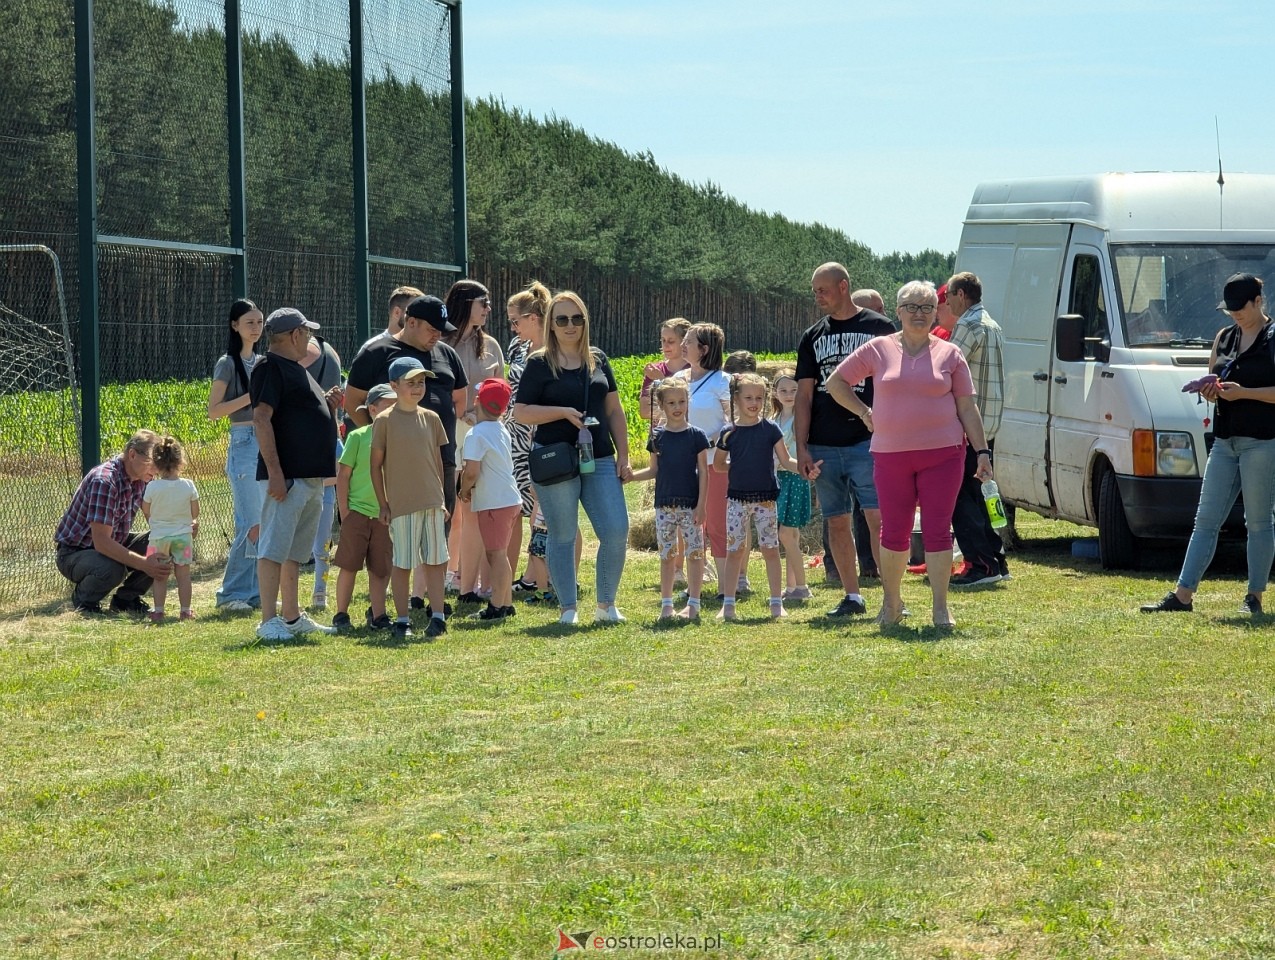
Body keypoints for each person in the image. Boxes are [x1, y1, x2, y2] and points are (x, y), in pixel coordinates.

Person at [827, 281, 994, 629]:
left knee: (937, 531)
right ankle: (891, 604)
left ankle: (940, 607)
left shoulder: (950, 354)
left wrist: (981, 451)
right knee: (894, 532)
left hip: (943, 455)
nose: (919, 313)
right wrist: (864, 412)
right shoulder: (878, 349)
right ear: (898, 311)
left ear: (936, 312)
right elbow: (836, 383)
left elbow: (967, 406)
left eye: (926, 307)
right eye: (911, 307)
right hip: (891, 456)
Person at [1142, 273, 1275, 616]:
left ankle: (1255, 597)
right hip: (1225, 439)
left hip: (1261, 442)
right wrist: (1210, 389)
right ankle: (1182, 595)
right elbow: (1214, 375)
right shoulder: (1225, 336)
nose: (1234, 316)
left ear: (1258, 302)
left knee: (1258, 521)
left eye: (1240, 309)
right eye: (1229, 310)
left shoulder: (1272, 337)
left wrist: (1244, 393)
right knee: (1205, 519)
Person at [514, 291, 632, 624]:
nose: (570, 325)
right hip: (555, 461)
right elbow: (521, 412)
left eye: (577, 318)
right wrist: (562, 412)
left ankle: (606, 605)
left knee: (615, 530)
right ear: (550, 323)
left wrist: (624, 454)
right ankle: (568, 608)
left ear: (585, 322)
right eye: (562, 319)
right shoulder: (539, 363)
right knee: (562, 534)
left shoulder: (598, 358)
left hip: (600, 456)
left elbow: (614, 410)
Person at [345, 295, 467, 607]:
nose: (438, 334)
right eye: (431, 328)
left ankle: (426, 599)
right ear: (410, 322)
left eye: (442, 329)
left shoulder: (446, 354)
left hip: (439, 460)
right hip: (394, 465)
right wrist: (380, 442)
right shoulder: (377, 353)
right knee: (393, 536)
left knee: (437, 531)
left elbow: (458, 400)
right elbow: (353, 402)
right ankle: (384, 606)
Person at [795, 262, 895, 617]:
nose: (817, 297)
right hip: (823, 442)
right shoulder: (812, 337)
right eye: (814, 291)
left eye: (822, 289)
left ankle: (891, 595)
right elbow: (804, 396)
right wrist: (802, 446)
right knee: (835, 519)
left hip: (868, 441)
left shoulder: (879, 328)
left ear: (843, 286)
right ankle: (852, 596)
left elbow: (894, 383)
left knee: (878, 517)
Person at [250, 307, 340, 642]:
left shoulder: (295, 369)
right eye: (308, 333)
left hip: (309, 477)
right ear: (295, 335)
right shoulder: (270, 367)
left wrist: (328, 406)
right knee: (274, 548)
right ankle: (268, 620)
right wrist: (275, 472)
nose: (311, 339)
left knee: (293, 551)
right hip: (287, 479)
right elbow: (261, 418)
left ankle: (291, 616)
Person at [713, 372, 805, 620]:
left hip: (766, 499)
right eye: (748, 397)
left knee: (770, 549)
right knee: (735, 550)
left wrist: (806, 468)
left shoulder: (771, 429)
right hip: (737, 500)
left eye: (759, 398)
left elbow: (786, 460)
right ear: (736, 399)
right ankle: (728, 605)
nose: (754, 403)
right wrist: (741, 464)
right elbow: (719, 465)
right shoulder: (728, 432)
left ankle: (777, 603)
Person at [372, 356, 451, 640]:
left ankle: (438, 617)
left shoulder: (431, 418)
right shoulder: (384, 421)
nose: (418, 388)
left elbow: (438, 462)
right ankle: (403, 619)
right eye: (410, 383)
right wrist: (383, 503)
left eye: (421, 382)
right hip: (401, 506)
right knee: (403, 563)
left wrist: (441, 498)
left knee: (434, 560)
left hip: (431, 502)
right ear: (394, 386)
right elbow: (375, 464)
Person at [55, 429, 168, 615]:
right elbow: (102, 542)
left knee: (163, 542)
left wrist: (179, 530)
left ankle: (125, 600)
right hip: (75, 553)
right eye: (153, 462)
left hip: (110, 543)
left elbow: (156, 520)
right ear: (132, 454)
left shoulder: (142, 479)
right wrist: (145, 564)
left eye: (160, 463)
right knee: (112, 568)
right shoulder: (105, 481)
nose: (157, 469)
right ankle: (84, 602)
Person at [945, 272, 1009, 587]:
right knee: (981, 495)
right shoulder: (993, 325)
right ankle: (996, 559)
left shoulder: (968, 326)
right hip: (989, 426)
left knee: (960, 496)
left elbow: (944, 367)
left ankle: (980, 564)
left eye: (948, 296)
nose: (945, 302)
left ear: (960, 294)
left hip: (969, 427)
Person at [444, 280, 506, 603]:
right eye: (483, 302)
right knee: (453, 510)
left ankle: (476, 581)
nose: (488, 308)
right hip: (450, 432)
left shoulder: (492, 346)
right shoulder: (441, 343)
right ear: (465, 303)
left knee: (478, 508)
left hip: (483, 435)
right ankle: (449, 573)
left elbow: (502, 392)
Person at [629, 378, 710, 620]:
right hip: (664, 505)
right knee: (667, 555)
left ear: (688, 402)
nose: (678, 407)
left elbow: (704, 472)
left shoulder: (697, 436)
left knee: (695, 554)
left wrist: (702, 506)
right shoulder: (657, 437)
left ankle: (693, 603)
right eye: (672, 402)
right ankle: (666, 604)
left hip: (690, 505)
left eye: (682, 401)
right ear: (662, 406)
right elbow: (653, 470)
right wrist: (631, 477)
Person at [208, 298, 264, 611]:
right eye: (249, 323)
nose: (256, 329)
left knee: (263, 522)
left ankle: (253, 593)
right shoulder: (227, 363)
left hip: (265, 441)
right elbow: (213, 411)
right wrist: (249, 396)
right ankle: (231, 595)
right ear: (235, 326)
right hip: (243, 442)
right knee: (250, 523)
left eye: (259, 322)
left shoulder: (263, 360)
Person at [330, 383, 396, 633]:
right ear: (372, 409)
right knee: (349, 566)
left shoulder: (399, 438)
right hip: (357, 513)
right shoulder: (358, 437)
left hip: (384, 516)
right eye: (388, 405)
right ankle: (341, 614)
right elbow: (343, 475)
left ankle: (378, 615)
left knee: (380, 568)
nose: (394, 410)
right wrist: (345, 511)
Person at [458, 379, 522, 622]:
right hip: (509, 499)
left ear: (477, 401)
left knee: (495, 555)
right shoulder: (501, 429)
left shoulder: (476, 434)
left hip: (494, 503)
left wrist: (464, 490)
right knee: (500, 554)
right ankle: (505, 602)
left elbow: (472, 471)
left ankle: (497, 606)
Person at [676, 323, 731, 586]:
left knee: (717, 523)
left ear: (705, 349)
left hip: (714, 464)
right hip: (685, 466)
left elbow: (735, 424)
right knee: (690, 524)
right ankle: (695, 581)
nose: (683, 345)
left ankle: (726, 583)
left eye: (689, 341)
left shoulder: (723, 382)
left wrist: (711, 442)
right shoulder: (677, 380)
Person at [505, 281, 551, 593]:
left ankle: (553, 577)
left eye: (516, 321)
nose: (512, 327)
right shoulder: (517, 348)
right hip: (515, 437)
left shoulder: (554, 348)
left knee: (547, 506)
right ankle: (531, 575)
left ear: (533, 318)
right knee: (528, 508)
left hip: (541, 435)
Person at [298, 326, 344, 609]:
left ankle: (319, 592)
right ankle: (316, 592)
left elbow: (335, 474)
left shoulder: (306, 360)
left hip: (317, 474)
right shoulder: (332, 355)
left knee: (321, 540)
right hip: (316, 465)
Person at [141, 435, 200, 623]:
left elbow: (146, 509)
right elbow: (195, 512)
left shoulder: (152, 487)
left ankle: (158, 610)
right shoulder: (188, 485)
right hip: (183, 536)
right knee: (183, 574)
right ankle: (185, 610)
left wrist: (155, 522)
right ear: (180, 461)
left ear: (155, 464)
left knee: (160, 575)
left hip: (159, 537)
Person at [771, 371, 813, 600]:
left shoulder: (802, 417)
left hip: (796, 477)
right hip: (779, 478)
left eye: (793, 390)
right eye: (783, 390)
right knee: (792, 535)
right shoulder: (773, 420)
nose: (788, 395)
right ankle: (791, 586)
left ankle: (803, 587)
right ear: (775, 393)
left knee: (786, 534)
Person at [639, 318, 692, 423]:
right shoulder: (654, 370)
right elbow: (644, 411)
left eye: (671, 341)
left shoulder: (694, 369)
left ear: (685, 342)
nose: (665, 345)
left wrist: (661, 380)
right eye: (663, 340)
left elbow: (694, 410)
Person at [360, 285, 424, 351]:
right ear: (397, 312)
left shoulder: (427, 347)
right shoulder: (372, 349)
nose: (422, 318)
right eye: (416, 312)